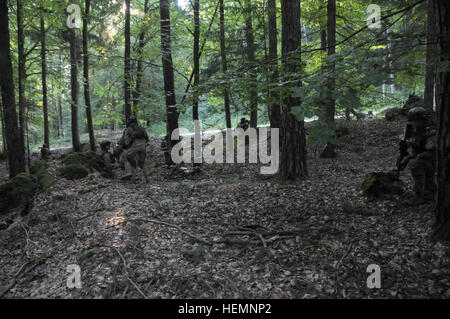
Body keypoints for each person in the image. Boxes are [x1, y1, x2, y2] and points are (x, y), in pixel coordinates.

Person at [398, 107, 436, 204]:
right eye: (412, 121)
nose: (413, 124)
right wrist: (404, 156)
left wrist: (410, 157)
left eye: (416, 121)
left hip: (435, 163)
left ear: (423, 120)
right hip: (426, 161)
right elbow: (411, 146)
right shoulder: (412, 131)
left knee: (415, 163)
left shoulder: (431, 132)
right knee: (415, 161)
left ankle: (423, 195)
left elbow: (431, 153)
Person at [121, 115, 150, 181]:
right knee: (141, 163)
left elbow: (126, 142)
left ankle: (128, 172)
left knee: (126, 157)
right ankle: (147, 178)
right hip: (144, 146)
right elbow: (147, 138)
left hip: (135, 146)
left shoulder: (128, 129)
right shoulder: (142, 128)